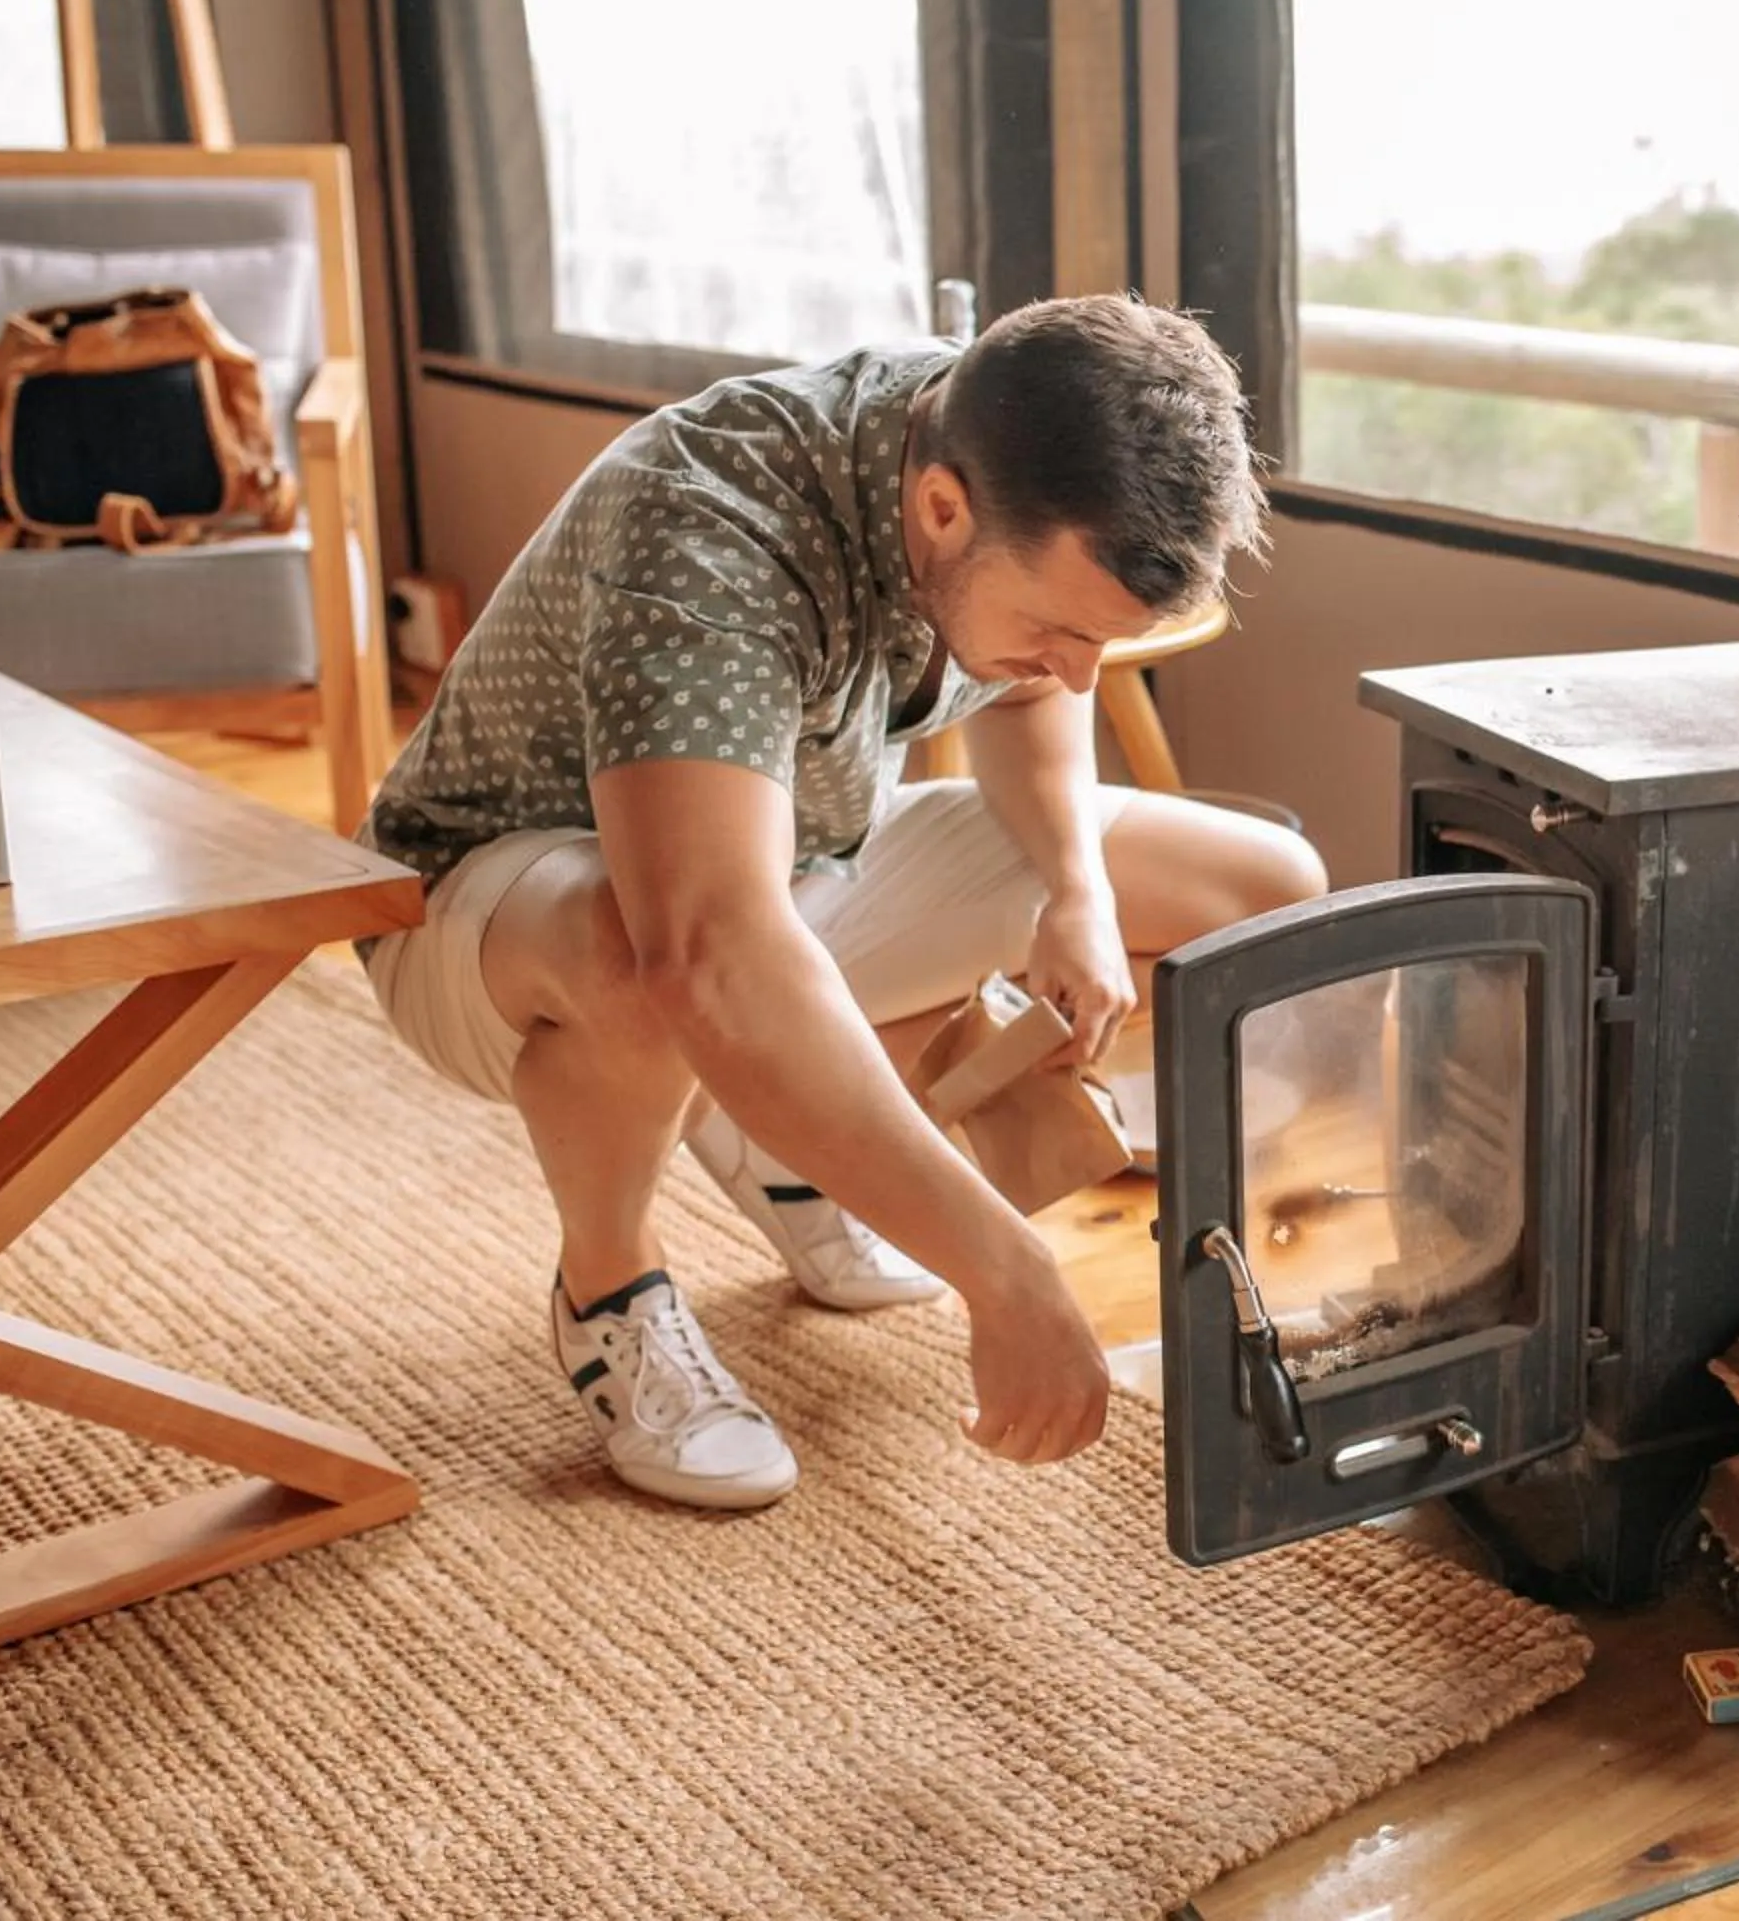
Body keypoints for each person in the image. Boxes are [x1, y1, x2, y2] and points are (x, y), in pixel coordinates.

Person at [357, 294, 1327, 1508]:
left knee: (1265, 887)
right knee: (648, 954)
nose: (1080, 670)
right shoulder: (708, 534)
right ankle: (609, 1292)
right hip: (479, 904)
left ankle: (774, 1129)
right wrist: (1006, 1270)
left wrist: (1074, 891)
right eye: (1058, 628)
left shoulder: (988, 433)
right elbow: (710, 952)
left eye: (1101, 640)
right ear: (939, 509)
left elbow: (1030, 697)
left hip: (792, 864)